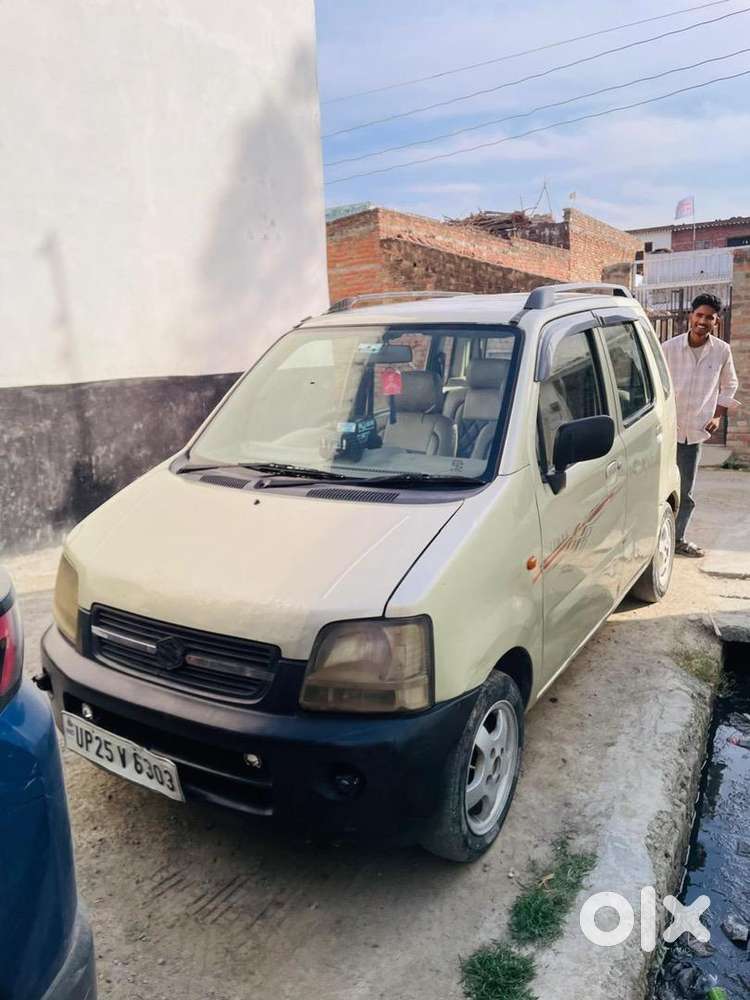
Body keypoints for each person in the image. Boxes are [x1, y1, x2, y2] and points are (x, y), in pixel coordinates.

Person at [661, 293, 739, 557]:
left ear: (717, 322)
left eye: (709, 317)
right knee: (657, 488)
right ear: (690, 316)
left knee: (685, 492)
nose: (703, 321)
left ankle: (678, 540)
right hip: (665, 430)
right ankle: (651, 539)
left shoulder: (722, 351)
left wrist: (717, 415)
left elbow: (730, 384)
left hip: (693, 432)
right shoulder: (668, 348)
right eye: (699, 315)